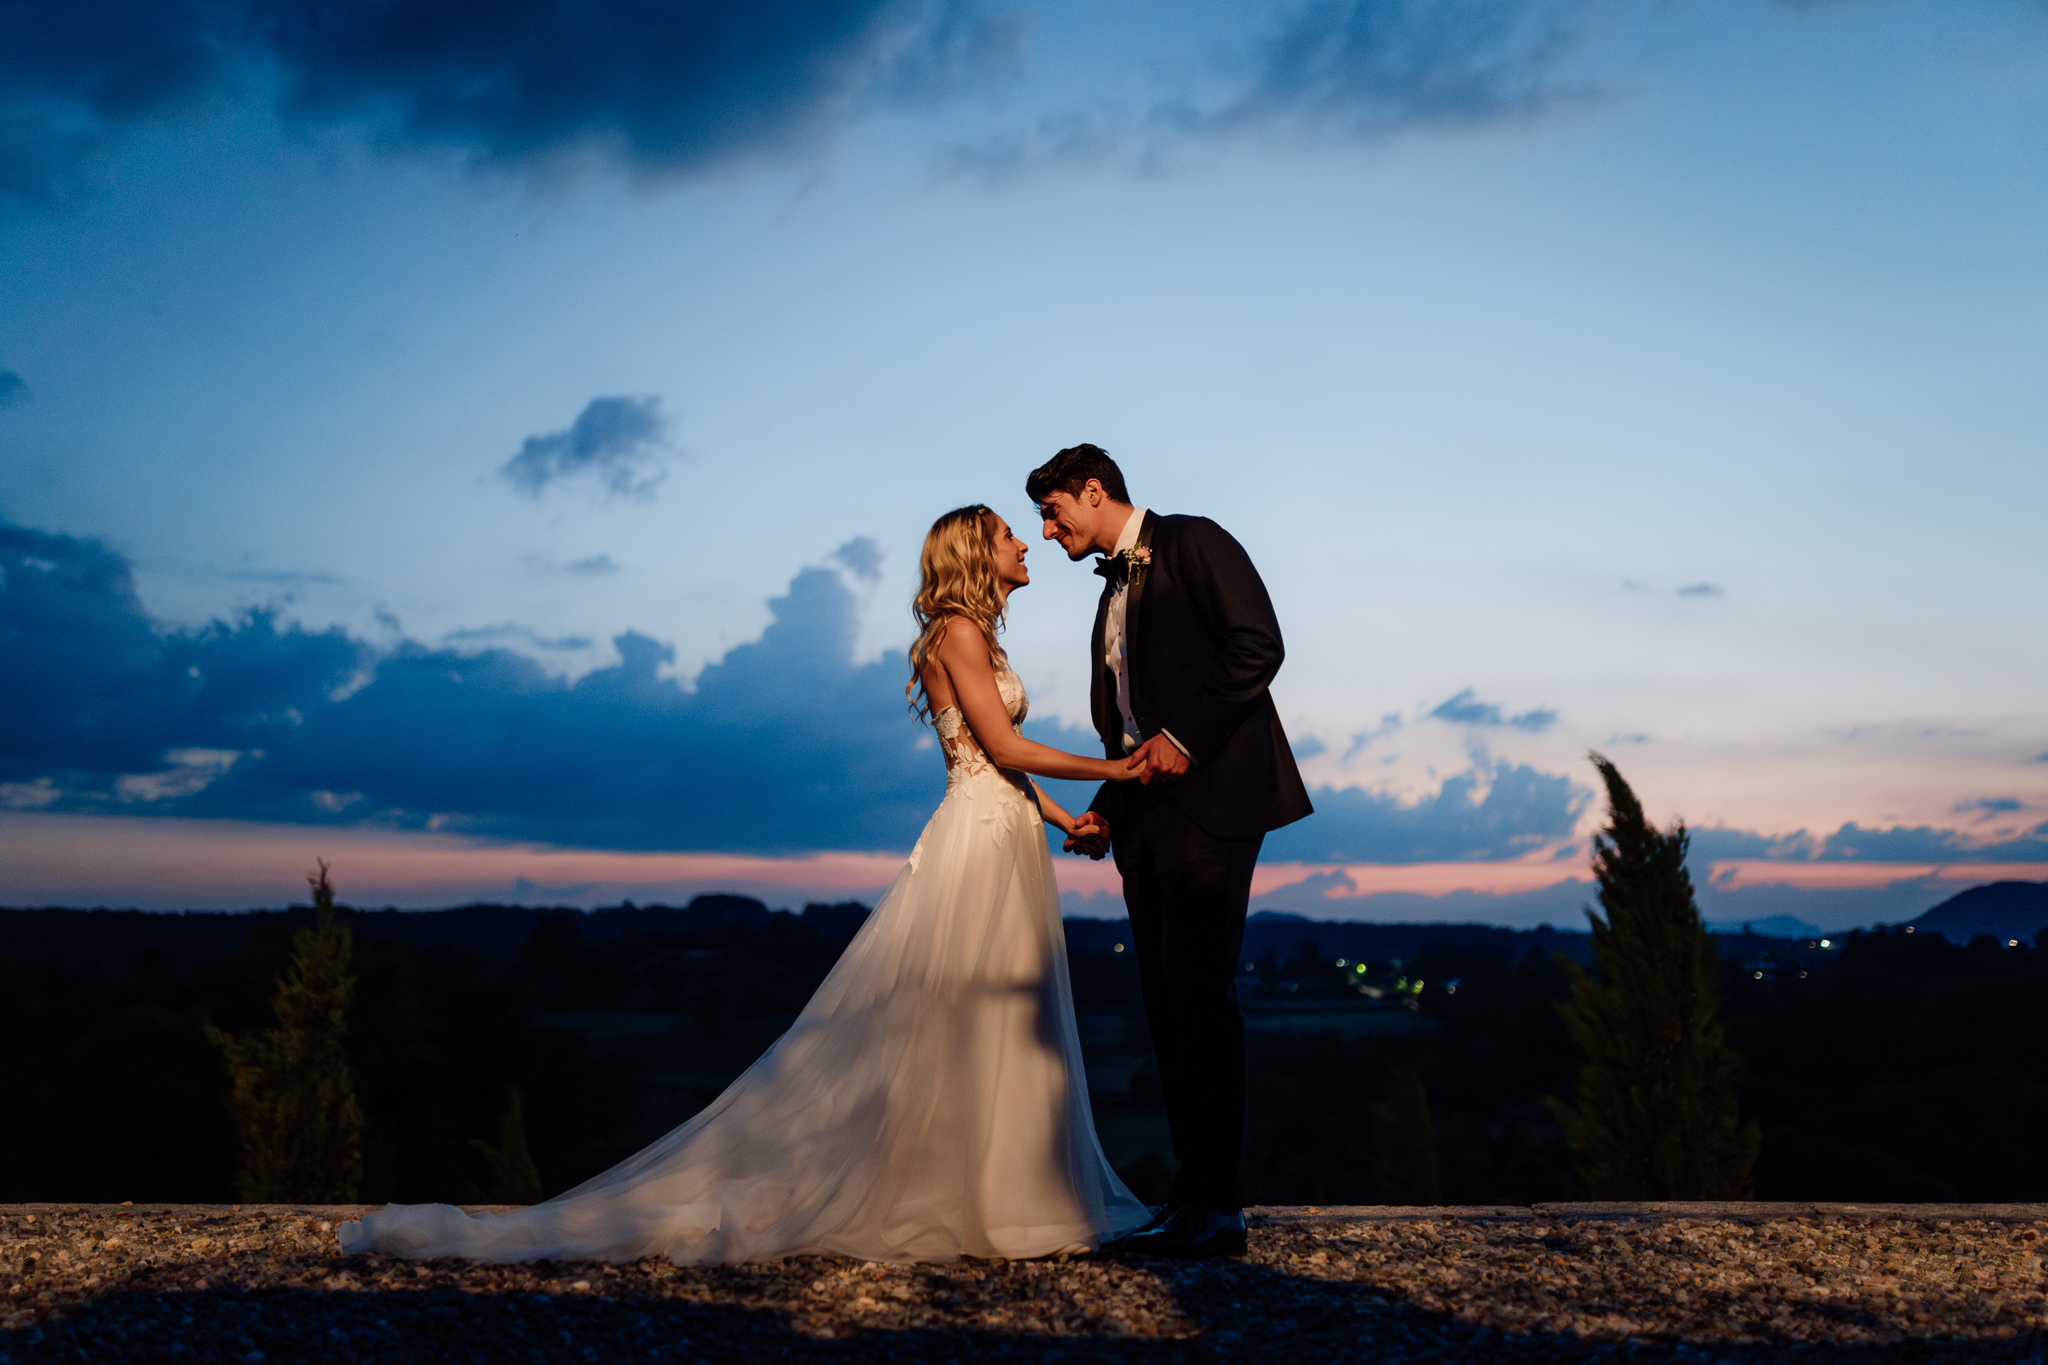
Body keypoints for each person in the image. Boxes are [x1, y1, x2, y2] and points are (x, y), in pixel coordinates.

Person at [340, 505, 1150, 1264]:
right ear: (975, 555)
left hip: (1002, 827)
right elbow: (1002, 751)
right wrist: (1113, 768)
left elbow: (996, 764)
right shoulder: (957, 634)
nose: (1026, 542)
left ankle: (1005, 1188)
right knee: (962, 1012)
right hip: (975, 842)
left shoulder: (978, 637)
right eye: (1010, 532)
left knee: (1007, 1011)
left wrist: (1064, 819)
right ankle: (972, 1194)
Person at [1027, 443, 1312, 1260]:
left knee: (1200, 993)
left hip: (1214, 808)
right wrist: (1107, 809)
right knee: (1164, 1001)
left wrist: (1187, 737)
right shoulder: (1109, 594)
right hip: (1147, 822)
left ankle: (1219, 1209)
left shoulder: (1194, 541)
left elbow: (1258, 644)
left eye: (1054, 512)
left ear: (1093, 491)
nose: (1048, 532)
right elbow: (1130, 726)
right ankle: (1191, 1198)